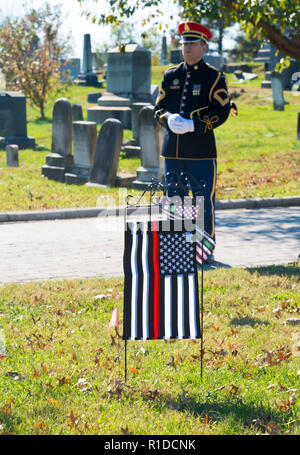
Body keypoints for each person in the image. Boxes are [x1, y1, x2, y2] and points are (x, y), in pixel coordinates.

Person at [154, 21, 232, 260]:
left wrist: (194, 124)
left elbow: (223, 110)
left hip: (201, 152)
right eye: (184, 43)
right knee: (174, 201)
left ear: (203, 46)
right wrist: (167, 119)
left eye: (192, 43)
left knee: (202, 202)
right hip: (174, 153)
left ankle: (203, 251)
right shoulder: (170, 76)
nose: (186, 48)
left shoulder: (214, 77)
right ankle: (177, 250)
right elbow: (158, 108)